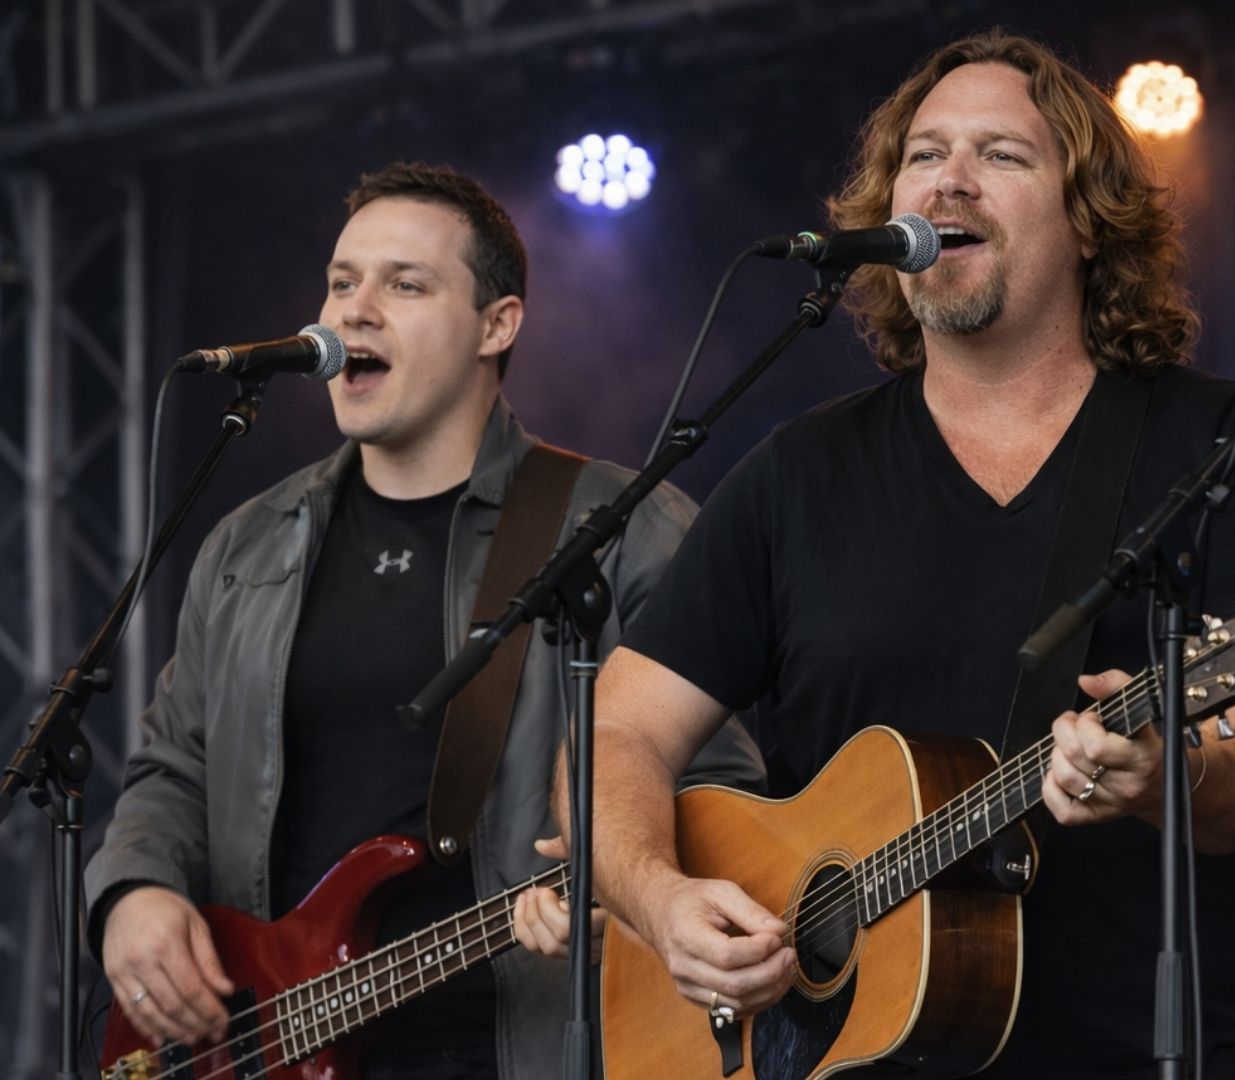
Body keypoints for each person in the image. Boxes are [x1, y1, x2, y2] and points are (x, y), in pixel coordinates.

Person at [583, 29, 1235, 1079]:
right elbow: (614, 732)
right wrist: (662, 902)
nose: (951, 180)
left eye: (1002, 154)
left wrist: (1167, 774)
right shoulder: (799, 474)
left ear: (1089, 220)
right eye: (925, 154)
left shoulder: (1226, 444)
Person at [85, 162, 761, 1079]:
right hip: (266, 1046)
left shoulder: (620, 528)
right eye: (341, 282)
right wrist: (134, 891)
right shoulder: (248, 546)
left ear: (498, 325)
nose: (355, 312)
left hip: (518, 1049)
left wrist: (631, 890)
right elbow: (176, 766)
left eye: (404, 285)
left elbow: (721, 797)